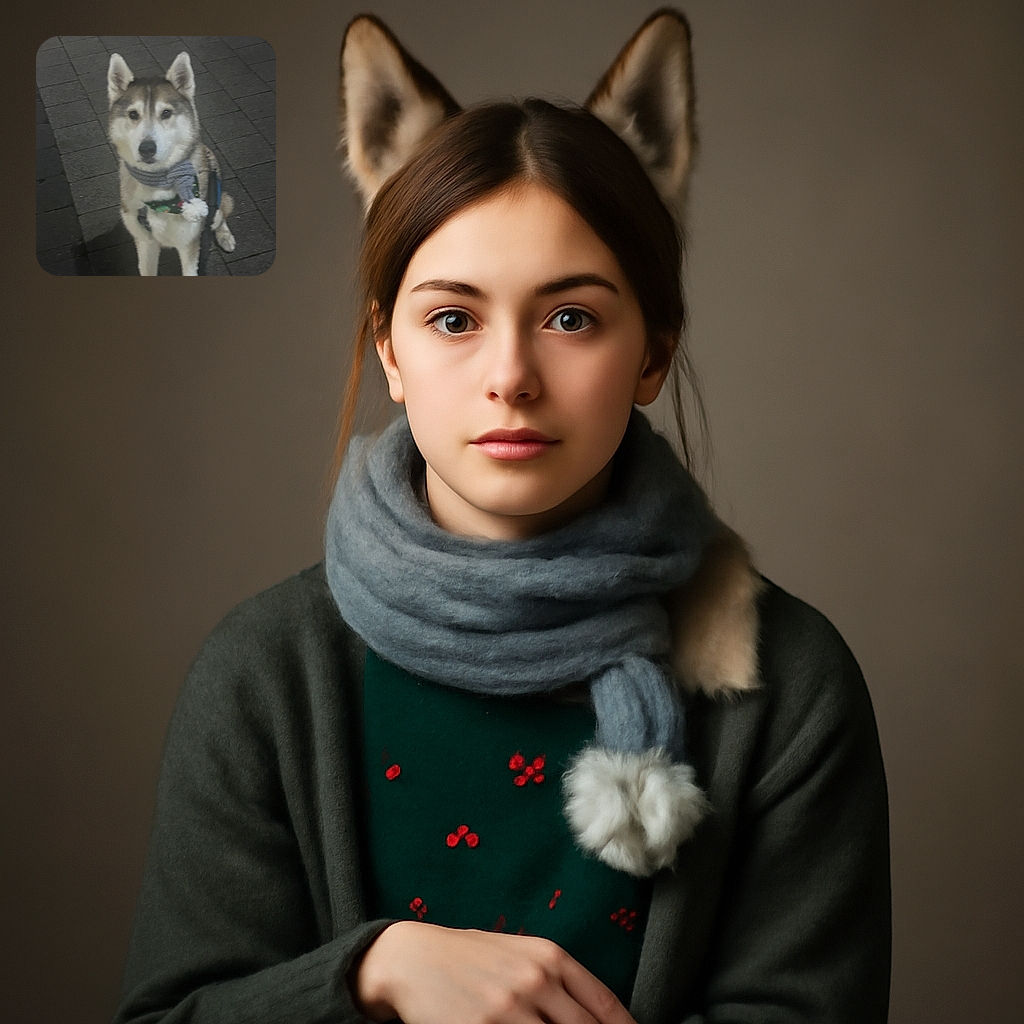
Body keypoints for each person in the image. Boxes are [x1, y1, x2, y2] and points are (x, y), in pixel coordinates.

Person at [113, 10, 890, 1024]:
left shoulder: (784, 682)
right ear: (389, 351)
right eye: (452, 319)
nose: (511, 377)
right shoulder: (263, 674)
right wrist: (372, 973)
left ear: (652, 351)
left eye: (571, 317)